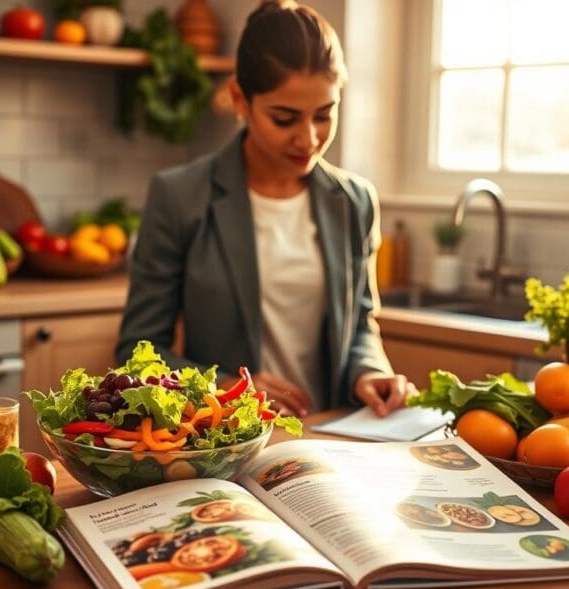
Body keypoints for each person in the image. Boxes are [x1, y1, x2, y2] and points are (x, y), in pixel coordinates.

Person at [116, 0, 411, 417]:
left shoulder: (354, 200)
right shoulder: (178, 197)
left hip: (327, 436)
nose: (308, 139)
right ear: (240, 99)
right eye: (284, 118)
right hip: (228, 440)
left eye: (323, 116)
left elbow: (360, 325)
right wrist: (224, 387)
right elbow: (137, 352)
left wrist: (370, 372)